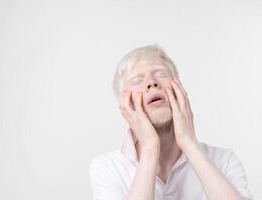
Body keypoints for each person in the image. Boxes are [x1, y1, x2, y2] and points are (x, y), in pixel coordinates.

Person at [89, 44, 253, 200]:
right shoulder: (107, 169)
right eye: (137, 80)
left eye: (161, 74)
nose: (152, 83)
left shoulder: (223, 161)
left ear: (179, 89)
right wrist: (150, 148)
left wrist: (189, 143)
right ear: (125, 104)